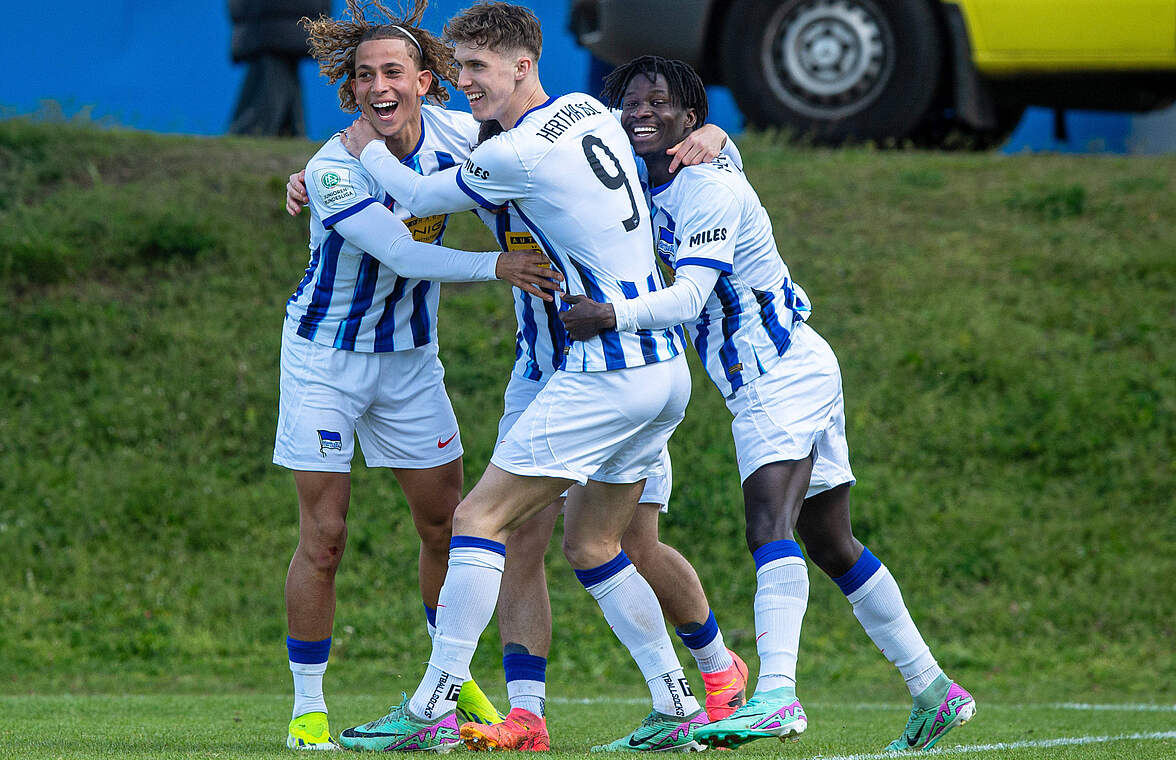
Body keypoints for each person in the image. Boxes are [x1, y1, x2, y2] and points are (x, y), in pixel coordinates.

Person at [561, 55, 978, 752]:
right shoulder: (641, 169)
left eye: (658, 101)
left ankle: (778, 695)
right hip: (788, 368)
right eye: (629, 101)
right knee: (830, 542)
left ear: (689, 119)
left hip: (777, 373)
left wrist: (610, 315)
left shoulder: (709, 190)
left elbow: (692, 296)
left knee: (768, 525)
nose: (640, 112)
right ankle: (934, 689)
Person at [331, 3, 710, 751]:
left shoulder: (515, 154)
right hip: (663, 368)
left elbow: (413, 198)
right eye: (458, 66)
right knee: (595, 546)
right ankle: (677, 704)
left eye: (475, 68)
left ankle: (431, 706)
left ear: (521, 66)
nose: (461, 82)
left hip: (603, 369)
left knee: (478, 520)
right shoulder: (586, 110)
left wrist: (361, 145)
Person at [276, 0, 562, 749]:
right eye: (364, 74)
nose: (378, 85)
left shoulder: (459, 134)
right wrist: (498, 264)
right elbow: (401, 255)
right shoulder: (334, 166)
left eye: (392, 71)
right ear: (351, 89)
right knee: (326, 538)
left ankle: (451, 684)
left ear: (426, 82)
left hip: (409, 365)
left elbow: (542, 139)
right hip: (325, 364)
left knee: (446, 526)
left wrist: (708, 136)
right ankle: (309, 704)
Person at [461, 119, 749, 753]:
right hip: (540, 375)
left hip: (618, 367)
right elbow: (418, 138)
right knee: (521, 539)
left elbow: (676, 149)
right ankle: (527, 715)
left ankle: (718, 666)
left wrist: (720, 133)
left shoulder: (586, 151)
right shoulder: (478, 143)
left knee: (632, 545)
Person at [227, 0, 329, 137]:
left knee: (272, 82)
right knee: (277, 80)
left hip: (270, 26)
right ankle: (285, 133)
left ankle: (263, 132)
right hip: (276, 26)